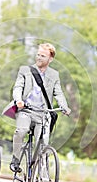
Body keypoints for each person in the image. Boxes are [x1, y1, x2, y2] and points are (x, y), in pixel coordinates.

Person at [9, 43, 71, 173]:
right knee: (21, 130)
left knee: (43, 145)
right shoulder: (25, 70)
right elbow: (18, 87)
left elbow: (58, 93)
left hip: (42, 114)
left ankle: (42, 177)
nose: (39, 58)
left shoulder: (54, 75)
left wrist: (64, 107)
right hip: (25, 110)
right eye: (38, 55)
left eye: (43, 56)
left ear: (50, 59)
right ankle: (15, 159)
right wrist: (19, 100)